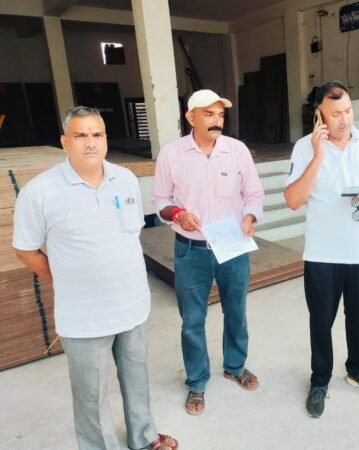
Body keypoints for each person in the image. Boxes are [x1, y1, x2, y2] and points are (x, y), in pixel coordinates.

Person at [12, 106, 177, 450]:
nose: (90, 142)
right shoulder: (40, 191)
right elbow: (26, 250)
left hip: (132, 305)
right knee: (91, 395)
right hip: (84, 316)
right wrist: (65, 279)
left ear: (105, 139)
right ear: (64, 142)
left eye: (97, 134)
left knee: (137, 378)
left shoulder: (125, 179)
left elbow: (131, 234)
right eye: (80, 135)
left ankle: (144, 437)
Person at [284, 81, 359, 418]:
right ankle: (319, 380)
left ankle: (358, 370)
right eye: (335, 114)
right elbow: (293, 200)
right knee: (321, 322)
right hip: (322, 255)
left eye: (348, 110)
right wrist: (318, 155)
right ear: (318, 115)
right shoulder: (304, 148)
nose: (345, 119)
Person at [152, 89, 264, 416]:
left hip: (232, 245)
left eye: (220, 115)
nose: (217, 121)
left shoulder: (237, 150)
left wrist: (250, 217)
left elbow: (254, 194)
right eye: (208, 114)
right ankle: (197, 380)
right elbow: (160, 200)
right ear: (191, 117)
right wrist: (178, 214)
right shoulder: (172, 154)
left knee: (236, 311)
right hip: (191, 248)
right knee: (192, 320)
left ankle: (234, 366)